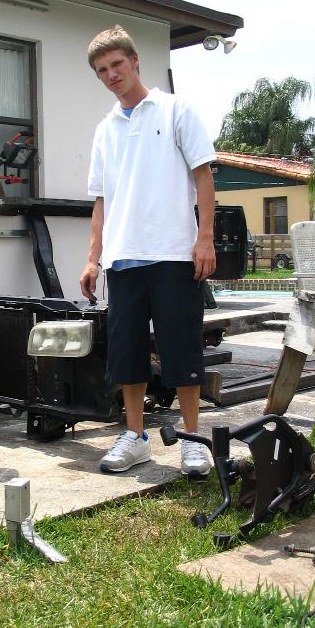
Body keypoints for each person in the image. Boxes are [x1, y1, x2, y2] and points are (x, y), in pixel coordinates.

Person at [79, 25, 217, 476]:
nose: (111, 74)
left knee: (182, 350)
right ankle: (135, 437)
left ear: (135, 61)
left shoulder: (176, 110)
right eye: (102, 70)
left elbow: (203, 176)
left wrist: (205, 237)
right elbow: (101, 200)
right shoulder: (104, 129)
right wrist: (93, 257)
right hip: (123, 258)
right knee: (127, 352)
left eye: (117, 64)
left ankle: (192, 440)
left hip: (174, 253)